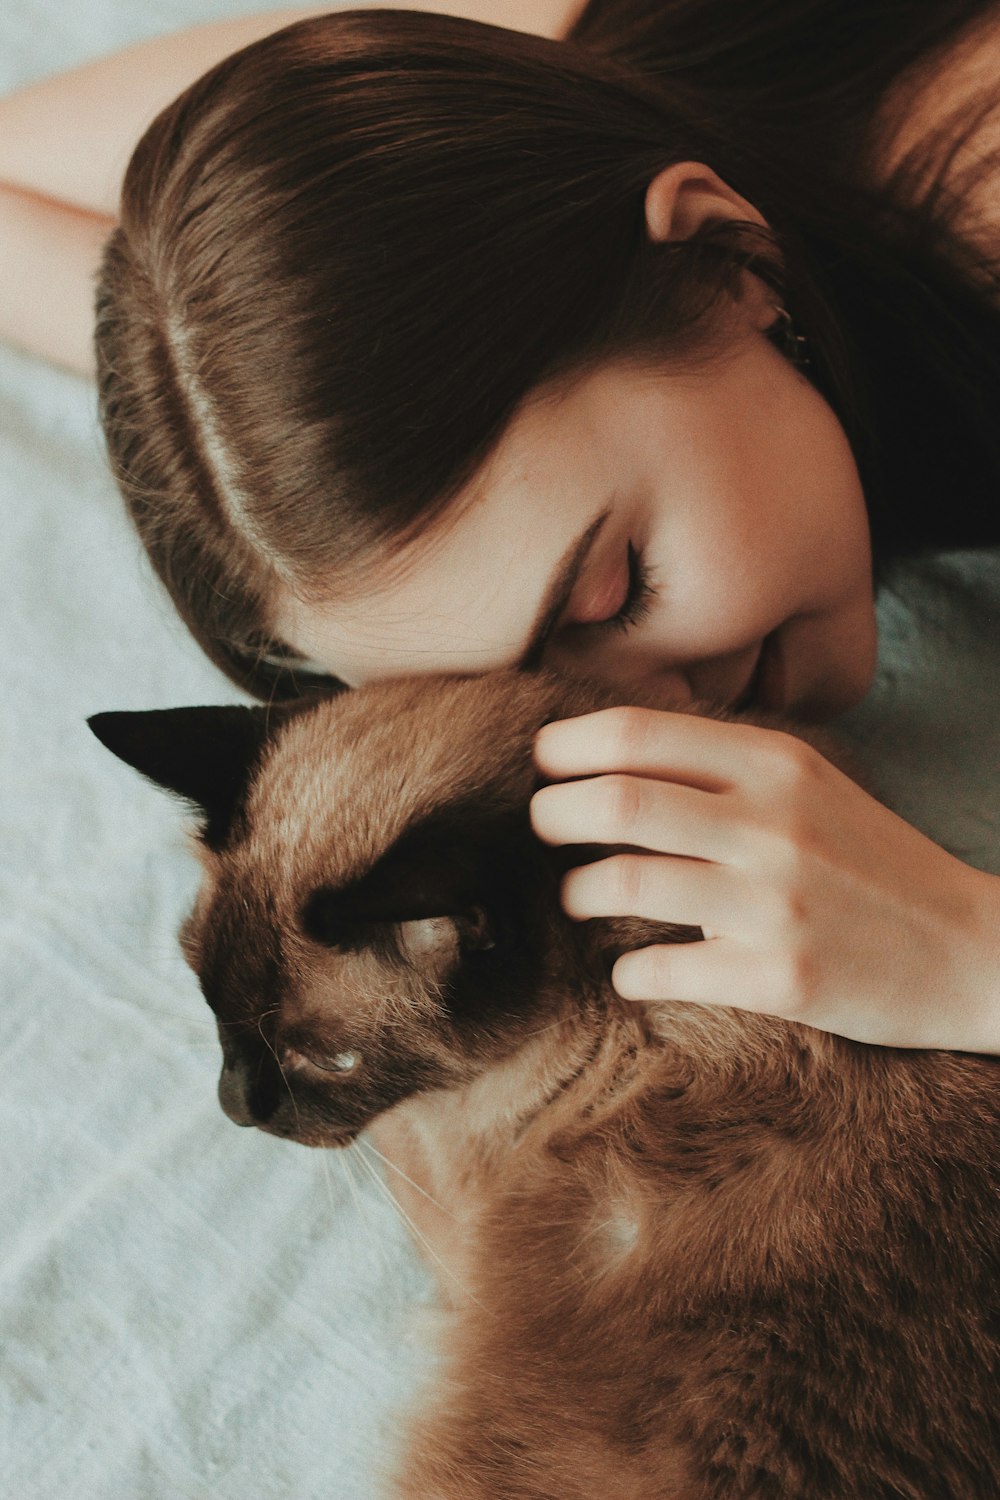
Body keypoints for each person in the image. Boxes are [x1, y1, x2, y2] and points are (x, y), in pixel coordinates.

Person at [4, 1, 1000, 1053]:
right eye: (524, 694)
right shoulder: (560, 129)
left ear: (725, 266)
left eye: (615, 588)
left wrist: (965, 954)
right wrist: (246, 421)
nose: (654, 720)